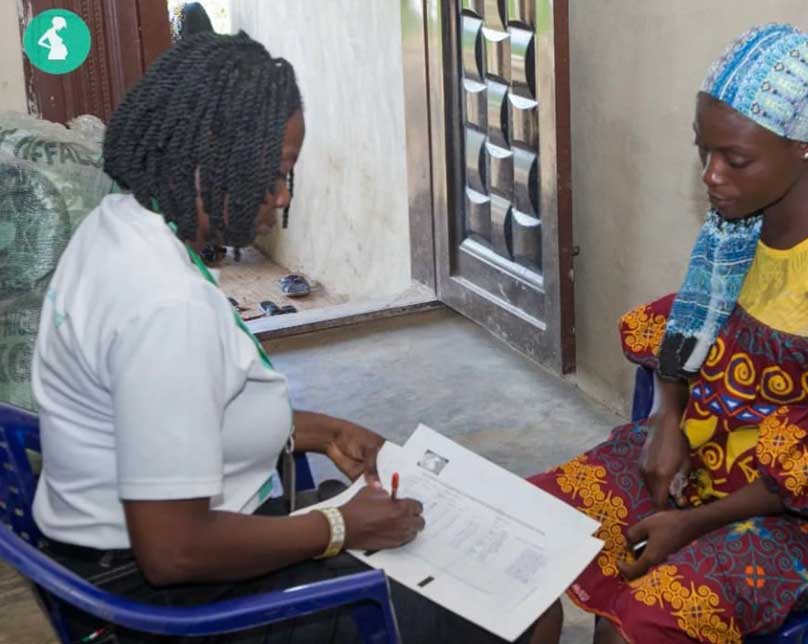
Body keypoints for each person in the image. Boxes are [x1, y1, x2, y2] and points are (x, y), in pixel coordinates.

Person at [31, 32, 560, 644]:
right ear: (208, 150)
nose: (282, 198)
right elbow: (173, 551)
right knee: (525, 609)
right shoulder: (164, 305)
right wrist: (337, 526)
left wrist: (319, 429)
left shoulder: (119, 226)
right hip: (176, 607)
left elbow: (172, 412)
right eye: (274, 174)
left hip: (125, 563)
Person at [529, 23, 808, 643]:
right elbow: (692, 325)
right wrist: (666, 420)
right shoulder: (740, 218)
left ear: (806, 147)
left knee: (653, 613)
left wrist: (697, 522)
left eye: (735, 159)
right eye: (703, 151)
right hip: (727, 452)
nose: (711, 175)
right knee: (528, 528)